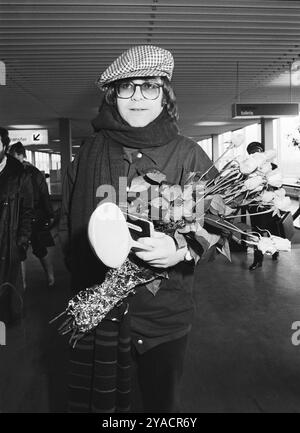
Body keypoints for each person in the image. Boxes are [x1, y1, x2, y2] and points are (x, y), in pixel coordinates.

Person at [59, 45, 216, 413]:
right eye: (127, 88)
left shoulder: (188, 154)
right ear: (114, 96)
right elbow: (70, 220)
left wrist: (180, 250)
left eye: (150, 87)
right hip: (97, 309)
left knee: (161, 408)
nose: (138, 98)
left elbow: (214, 225)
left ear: (166, 95)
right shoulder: (91, 150)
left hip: (164, 318)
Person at [9, 141, 55, 288]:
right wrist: (49, 214)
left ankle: (26, 283)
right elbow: (44, 195)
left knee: (34, 248)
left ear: (21, 155)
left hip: (27, 216)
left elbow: (43, 195)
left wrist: (49, 213)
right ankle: (48, 277)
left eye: (14, 156)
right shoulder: (34, 173)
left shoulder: (24, 173)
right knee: (33, 249)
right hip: (32, 215)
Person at [0, 128, 33, 325]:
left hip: (7, 243)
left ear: (5, 146)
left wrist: (21, 241)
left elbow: (27, 210)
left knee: (5, 296)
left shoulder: (19, 174)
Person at [247, 141, 279, 270]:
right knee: (257, 233)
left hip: (270, 205)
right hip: (256, 206)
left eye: (258, 151)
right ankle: (258, 260)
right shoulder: (248, 168)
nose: (256, 154)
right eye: (252, 152)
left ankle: (275, 250)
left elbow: (278, 185)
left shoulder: (273, 166)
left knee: (272, 231)